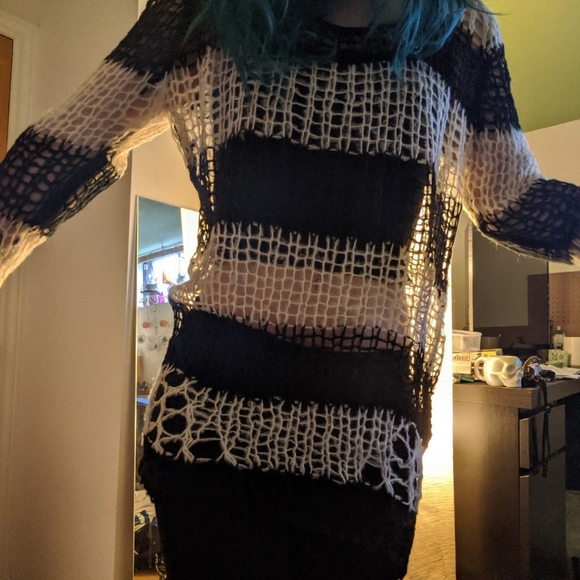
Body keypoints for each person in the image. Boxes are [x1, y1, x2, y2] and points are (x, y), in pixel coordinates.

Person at [0, 0, 579, 578]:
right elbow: (58, 152)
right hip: (212, 424)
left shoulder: (459, 30)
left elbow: (514, 200)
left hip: (364, 440)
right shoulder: (204, 12)